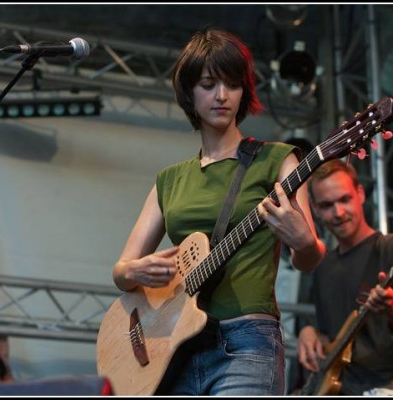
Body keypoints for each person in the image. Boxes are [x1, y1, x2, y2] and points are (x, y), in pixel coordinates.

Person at [111, 27, 325, 396]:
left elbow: (308, 258)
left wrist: (305, 243)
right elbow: (121, 272)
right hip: (174, 346)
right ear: (189, 92)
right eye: (209, 84)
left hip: (246, 342)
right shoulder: (170, 180)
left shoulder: (278, 159)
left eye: (232, 84)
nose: (222, 95)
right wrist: (135, 269)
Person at [296, 158, 393, 395]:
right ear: (315, 210)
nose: (338, 213)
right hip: (335, 387)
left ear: (360, 194)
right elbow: (327, 331)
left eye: (345, 199)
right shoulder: (322, 266)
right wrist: (308, 333)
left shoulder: (388, 248)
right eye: (327, 205)